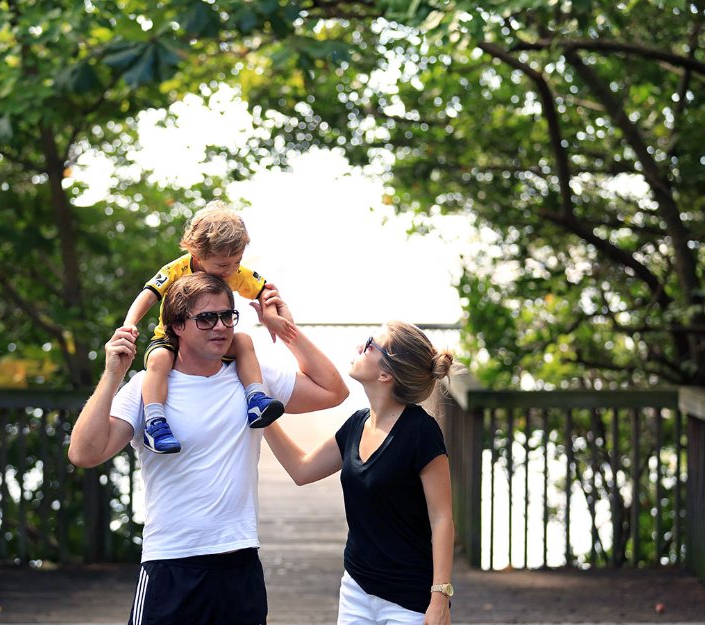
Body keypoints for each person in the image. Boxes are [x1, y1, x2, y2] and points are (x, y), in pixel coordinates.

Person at [68, 273, 349, 625]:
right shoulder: (147, 387)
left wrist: (285, 328)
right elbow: (84, 454)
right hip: (170, 565)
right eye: (205, 318)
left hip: (239, 564)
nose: (220, 327)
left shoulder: (252, 379)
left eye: (227, 316)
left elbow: (333, 391)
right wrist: (112, 376)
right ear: (176, 326)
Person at [263, 321, 456, 625]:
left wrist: (440, 598)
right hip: (356, 590)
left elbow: (442, 518)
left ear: (385, 374)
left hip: (409, 599)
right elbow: (301, 469)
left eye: (369, 344)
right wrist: (262, 415)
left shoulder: (422, 432)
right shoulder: (356, 424)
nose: (358, 348)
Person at [122, 200, 296, 454]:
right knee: (158, 358)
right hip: (171, 338)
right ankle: (155, 422)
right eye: (223, 265)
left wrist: (270, 315)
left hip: (210, 341)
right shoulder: (177, 269)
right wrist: (129, 324)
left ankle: (256, 398)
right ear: (196, 254)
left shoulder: (234, 270)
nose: (231, 270)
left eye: (237, 262)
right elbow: (149, 294)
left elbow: (266, 291)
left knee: (244, 341)